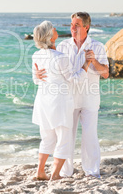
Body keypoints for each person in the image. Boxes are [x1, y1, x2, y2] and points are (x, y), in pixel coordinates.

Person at [35, 12, 109, 178]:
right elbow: (51, 68)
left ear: (86, 27)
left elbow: (105, 73)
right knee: (67, 136)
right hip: (68, 100)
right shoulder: (62, 46)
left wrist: (94, 61)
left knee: (90, 136)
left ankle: (91, 172)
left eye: (77, 25)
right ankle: (65, 171)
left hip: (89, 98)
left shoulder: (97, 46)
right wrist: (38, 75)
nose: (73, 28)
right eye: (71, 25)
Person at [31, 20, 91, 180]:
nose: (57, 29)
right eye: (54, 29)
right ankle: (55, 174)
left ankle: (40, 171)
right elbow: (75, 79)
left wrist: (38, 76)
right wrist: (86, 64)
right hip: (59, 103)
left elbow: (36, 80)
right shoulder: (60, 57)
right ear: (51, 37)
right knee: (64, 139)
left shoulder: (36, 55)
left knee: (47, 138)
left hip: (43, 101)